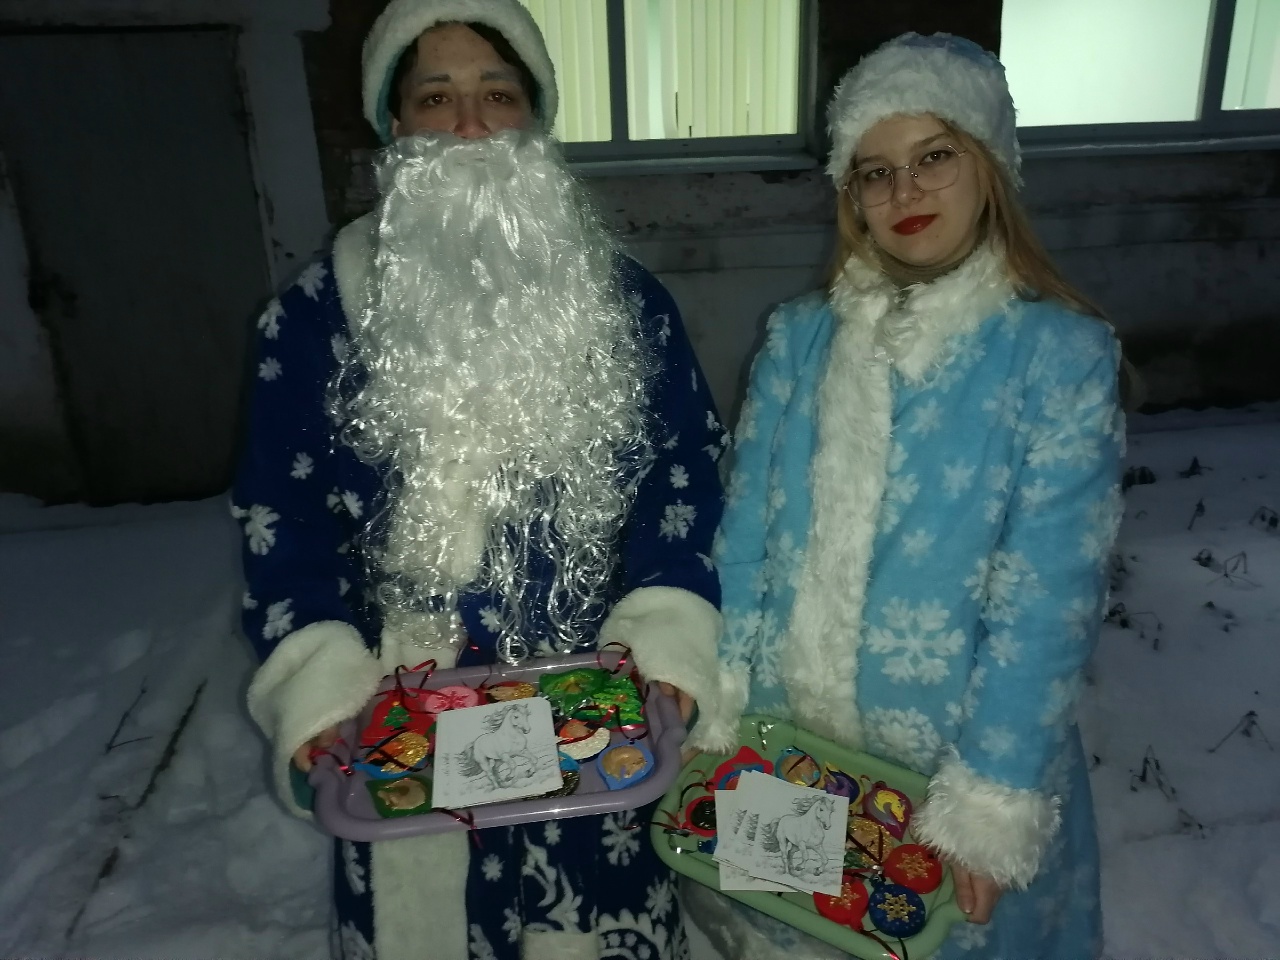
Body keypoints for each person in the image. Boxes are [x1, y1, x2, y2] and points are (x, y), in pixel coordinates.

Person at [231, 2, 727, 958]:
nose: (468, 126)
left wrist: (668, 650)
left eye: (497, 95)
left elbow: (684, 484)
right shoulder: (309, 321)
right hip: (399, 733)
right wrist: (318, 690)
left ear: (536, 118)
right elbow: (278, 517)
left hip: (600, 726)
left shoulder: (629, 305)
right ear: (395, 125)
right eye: (436, 98)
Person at [684, 33, 1124, 959]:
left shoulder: (1055, 357)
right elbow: (745, 536)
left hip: (942, 777)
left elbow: (1048, 598)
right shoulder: (799, 340)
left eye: (934, 156)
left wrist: (992, 794)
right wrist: (718, 697)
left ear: (990, 165)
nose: (903, 192)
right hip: (786, 751)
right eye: (874, 171)